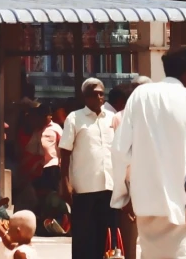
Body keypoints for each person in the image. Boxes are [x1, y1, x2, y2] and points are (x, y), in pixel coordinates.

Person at [112, 46, 186, 259]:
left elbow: (120, 149)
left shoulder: (140, 96)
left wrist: (123, 194)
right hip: (183, 200)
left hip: (146, 198)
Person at [66, 78, 120, 259]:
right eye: (93, 93)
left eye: (101, 93)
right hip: (84, 189)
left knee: (106, 241)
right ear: (85, 97)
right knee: (83, 239)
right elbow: (64, 153)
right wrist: (65, 183)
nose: (98, 97)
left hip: (109, 187)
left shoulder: (113, 119)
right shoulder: (74, 118)